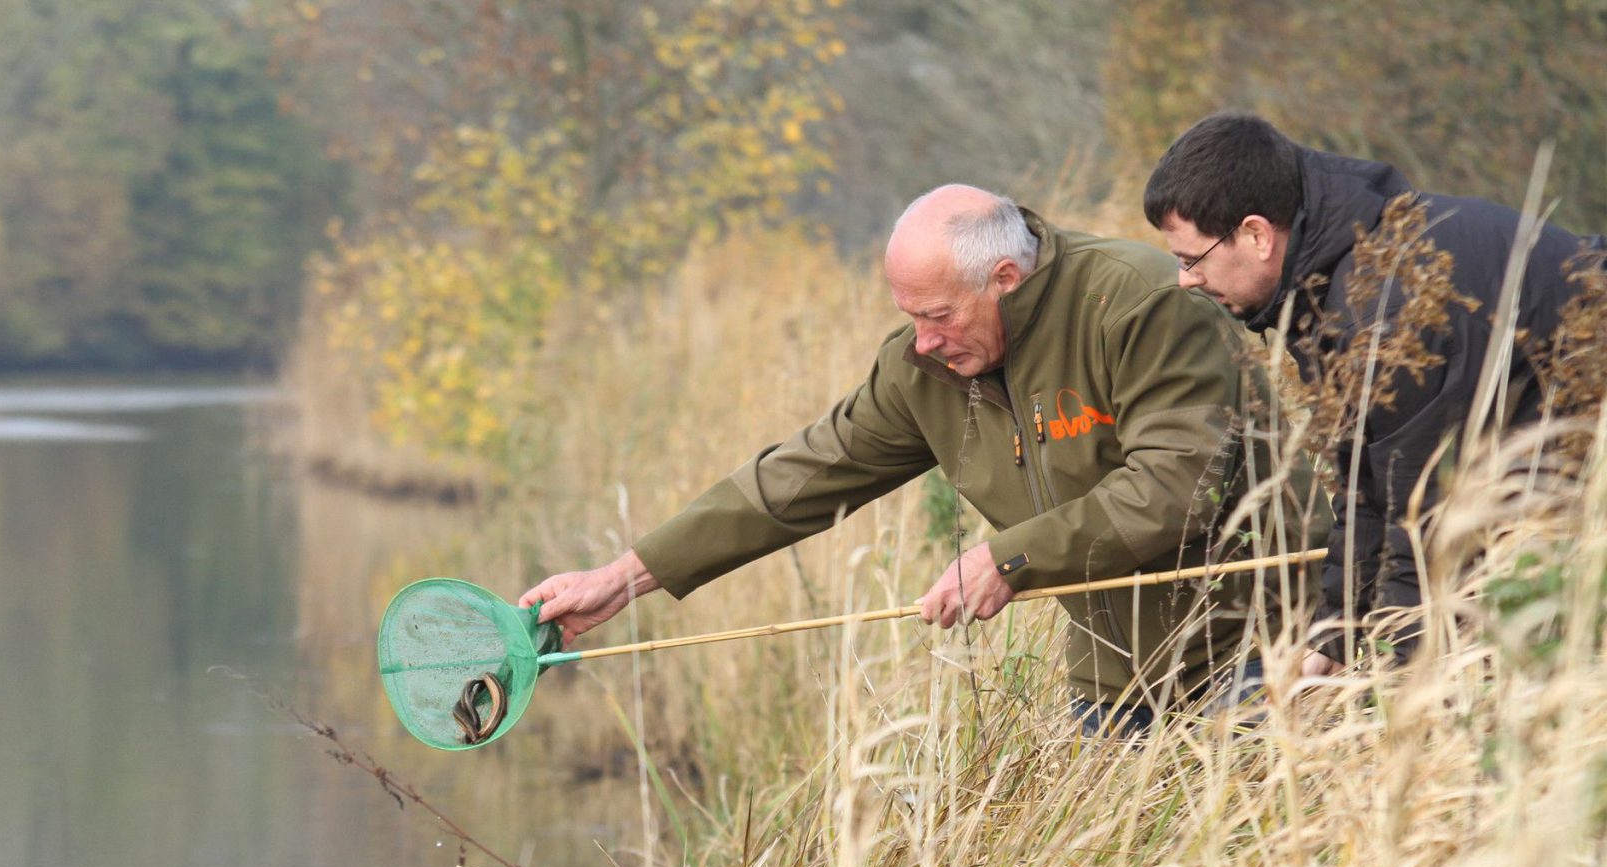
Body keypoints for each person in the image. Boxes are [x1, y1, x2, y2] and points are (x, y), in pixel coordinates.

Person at [519, 185, 1322, 737]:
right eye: (909, 317)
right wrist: (623, 577)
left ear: (1005, 279)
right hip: (1114, 686)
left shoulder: (1141, 302)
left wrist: (1009, 558)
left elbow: (1176, 488)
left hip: (1265, 652)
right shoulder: (924, 365)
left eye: (937, 314)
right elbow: (794, 480)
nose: (923, 339)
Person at [1143, 111, 1601, 676]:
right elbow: (1367, 478)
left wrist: (1397, 688)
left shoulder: (1384, 306)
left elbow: (1427, 516)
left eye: (1192, 260)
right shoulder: (1328, 276)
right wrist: (1335, 635)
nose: (1186, 279)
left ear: (1258, 235)